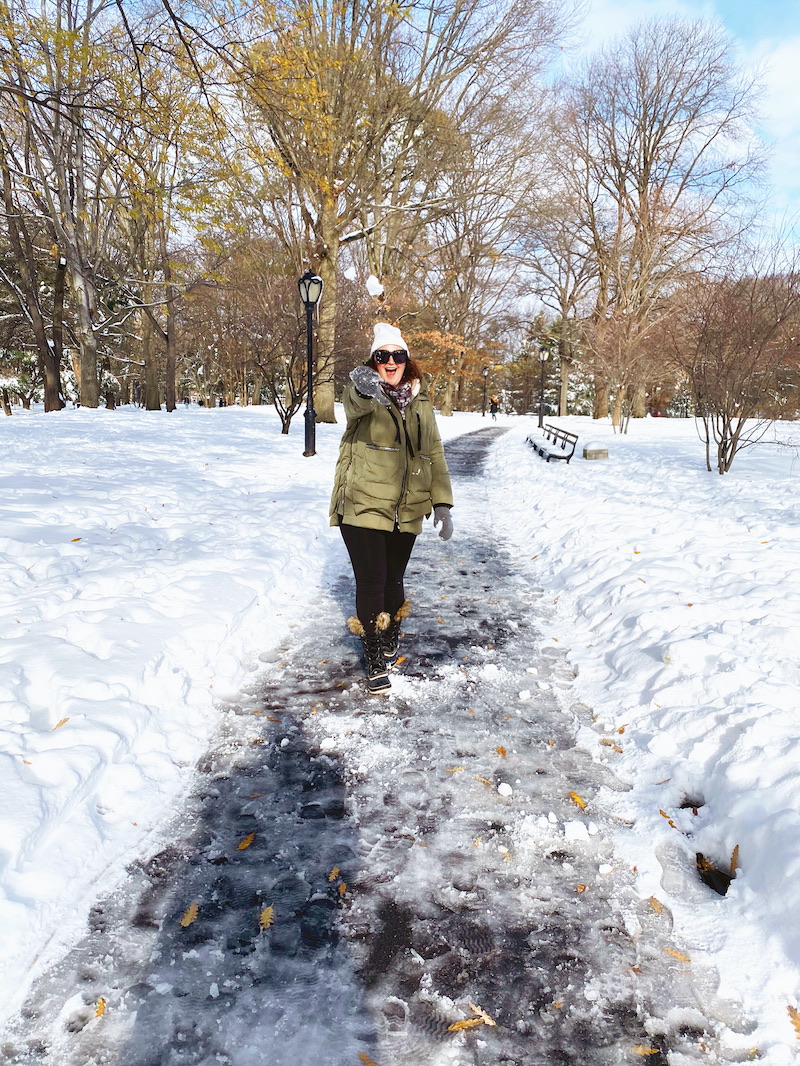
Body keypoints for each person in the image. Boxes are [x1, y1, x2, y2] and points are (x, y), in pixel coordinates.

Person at [330, 323, 453, 693]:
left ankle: (389, 633)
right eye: (382, 356)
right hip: (363, 502)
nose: (391, 362)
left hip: (408, 507)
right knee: (371, 580)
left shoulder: (421, 402)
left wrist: (442, 502)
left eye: (398, 355)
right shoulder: (364, 393)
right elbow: (353, 405)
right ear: (374, 360)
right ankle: (372, 653)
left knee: (393, 580)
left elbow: (433, 451)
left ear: (407, 360)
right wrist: (364, 388)